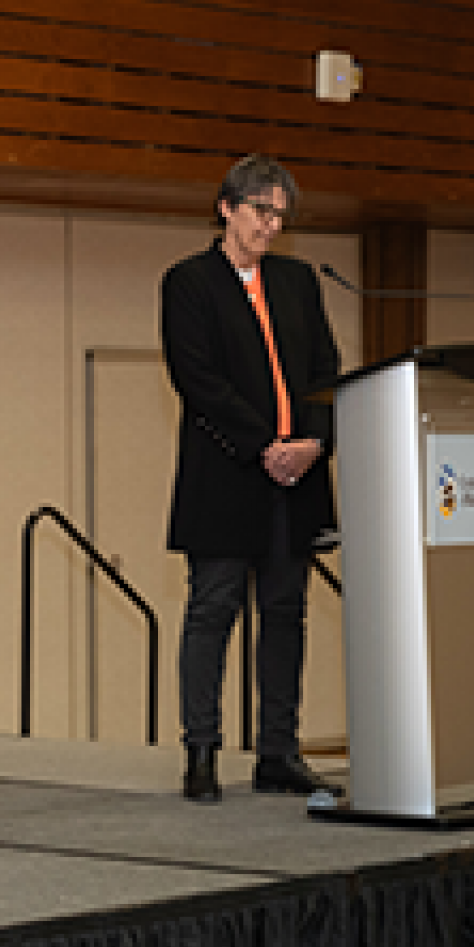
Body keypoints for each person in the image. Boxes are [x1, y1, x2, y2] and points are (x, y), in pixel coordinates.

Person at [161, 154, 341, 802]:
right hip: (229, 475)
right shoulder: (189, 282)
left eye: (280, 215)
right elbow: (198, 380)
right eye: (262, 210)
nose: (272, 225)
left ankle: (278, 752)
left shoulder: (297, 281)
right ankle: (202, 750)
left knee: (286, 613)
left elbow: (327, 368)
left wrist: (314, 441)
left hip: (296, 480)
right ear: (226, 207)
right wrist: (267, 445)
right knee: (213, 610)